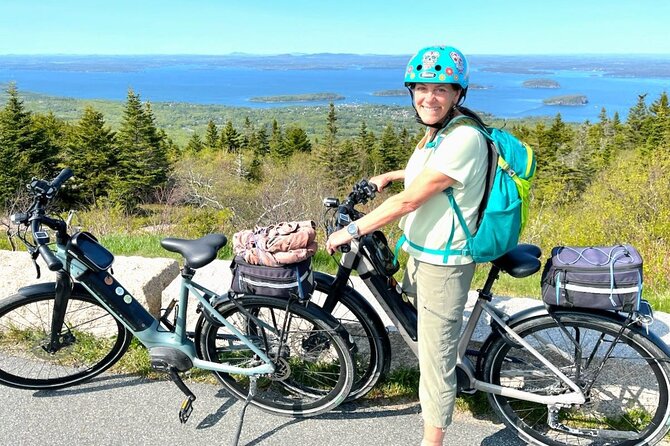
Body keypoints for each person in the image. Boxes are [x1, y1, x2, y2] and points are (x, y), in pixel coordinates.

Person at [325, 45, 489, 446]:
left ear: (457, 95)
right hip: (422, 254)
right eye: (421, 89)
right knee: (423, 331)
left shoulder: (464, 137)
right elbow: (428, 174)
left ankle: (432, 442)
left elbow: (411, 201)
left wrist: (352, 230)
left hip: (444, 265)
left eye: (440, 90)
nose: (428, 97)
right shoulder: (439, 133)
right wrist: (390, 175)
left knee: (435, 363)